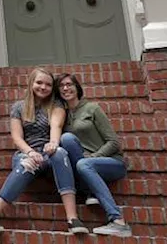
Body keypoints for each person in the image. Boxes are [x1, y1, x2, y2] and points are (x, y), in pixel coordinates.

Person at [0, 68, 88, 235]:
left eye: (48, 84)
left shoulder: (56, 105)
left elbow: (56, 126)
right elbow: (17, 138)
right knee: (27, 162)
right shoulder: (19, 108)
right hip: (26, 153)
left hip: (48, 153)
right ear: (31, 83)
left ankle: (72, 218)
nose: (43, 87)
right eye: (39, 82)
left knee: (60, 153)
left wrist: (53, 143)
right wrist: (30, 152)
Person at [55, 72, 131, 237]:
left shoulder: (92, 108)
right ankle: (89, 190)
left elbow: (114, 142)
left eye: (69, 84)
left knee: (83, 163)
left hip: (111, 162)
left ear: (77, 88)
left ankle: (118, 221)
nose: (65, 88)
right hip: (85, 168)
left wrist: (94, 156)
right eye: (61, 86)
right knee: (66, 138)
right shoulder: (62, 115)